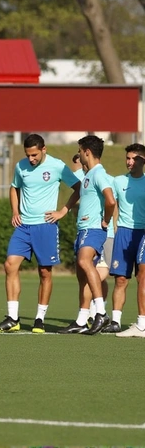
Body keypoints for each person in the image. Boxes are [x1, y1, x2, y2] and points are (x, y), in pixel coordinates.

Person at [0, 134, 80, 334]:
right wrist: (15, 211)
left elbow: (78, 188)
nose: (30, 159)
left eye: (34, 155)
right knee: (9, 265)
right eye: (28, 155)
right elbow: (14, 188)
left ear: (43, 149)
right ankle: (12, 318)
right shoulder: (21, 166)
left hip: (46, 226)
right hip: (23, 226)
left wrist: (62, 212)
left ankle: (39, 318)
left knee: (45, 272)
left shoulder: (57, 166)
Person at [59, 135, 115, 335]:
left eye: (80, 151)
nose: (79, 155)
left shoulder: (99, 174)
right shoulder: (89, 175)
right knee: (81, 276)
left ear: (87, 152)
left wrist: (106, 220)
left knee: (85, 262)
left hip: (93, 229)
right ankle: (81, 320)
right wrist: (63, 211)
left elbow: (110, 201)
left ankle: (100, 312)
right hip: (83, 229)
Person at [106, 144, 145, 334]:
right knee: (120, 279)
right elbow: (110, 204)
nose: (130, 162)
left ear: (143, 161)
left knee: (142, 278)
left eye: (134, 158)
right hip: (123, 232)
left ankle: (141, 322)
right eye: (128, 158)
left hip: (142, 234)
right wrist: (111, 225)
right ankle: (115, 321)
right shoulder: (118, 181)